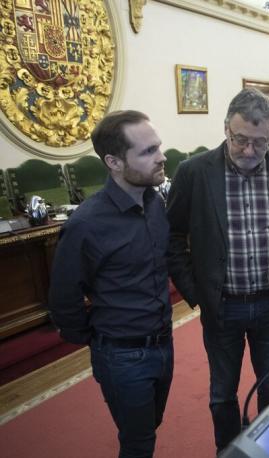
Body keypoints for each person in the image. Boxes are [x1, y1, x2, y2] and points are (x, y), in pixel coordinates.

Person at [166, 88, 269, 452]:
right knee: (222, 393)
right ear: (226, 127)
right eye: (240, 139)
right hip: (221, 306)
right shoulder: (193, 172)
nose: (248, 151)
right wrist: (196, 293)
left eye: (259, 143)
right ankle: (229, 452)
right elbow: (173, 237)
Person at [48, 110, 173, 458]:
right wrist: (98, 340)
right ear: (114, 162)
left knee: (149, 427)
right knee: (138, 443)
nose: (161, 156)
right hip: (122, 354)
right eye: (148, 151)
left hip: (163, 343)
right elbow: (63, 298)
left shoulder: (155, 203)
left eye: (158, 147)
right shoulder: (87, 224)